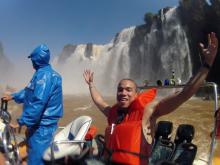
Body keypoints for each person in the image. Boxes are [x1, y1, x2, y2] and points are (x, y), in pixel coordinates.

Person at [83, 32, 218, 165]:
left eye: (128, 90)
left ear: (137, 94)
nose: (123, 93)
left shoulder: (149, 111)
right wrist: (91, 85)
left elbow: (184, 94)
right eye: (120, 89)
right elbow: (99, 101)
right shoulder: (113, 112)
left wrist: (207, 64)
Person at [2, 44, 63, 165]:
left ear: (36, 59)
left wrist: (20, 122)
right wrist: (13, 96)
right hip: (37, 125)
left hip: (42, 128)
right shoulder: (41, 73)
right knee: (32, 155)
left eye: (32, 59)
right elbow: (28, 91)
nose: (31, 62)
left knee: (36, 160)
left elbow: (38, 103)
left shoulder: (45, 76)